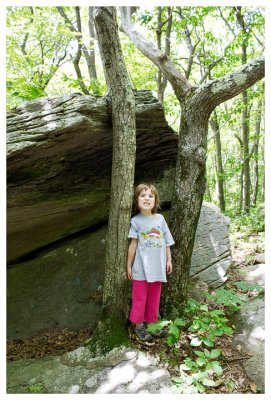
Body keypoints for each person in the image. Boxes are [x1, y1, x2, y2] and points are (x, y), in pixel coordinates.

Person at [127, 183, 175, 342]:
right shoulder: (136, 221)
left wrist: (169, 259)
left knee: (154, 298)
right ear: (136, 200)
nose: (146, 198)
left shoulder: (160, 219)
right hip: (141, 269)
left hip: (158, 268)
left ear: (155, 200)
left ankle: (152, 325)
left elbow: (167, 241)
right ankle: (138, 326)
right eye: (142, 195)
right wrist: (129, 265)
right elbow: (133, 245)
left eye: (150, 196)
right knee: (140, 298)